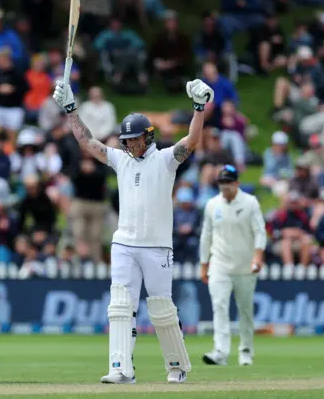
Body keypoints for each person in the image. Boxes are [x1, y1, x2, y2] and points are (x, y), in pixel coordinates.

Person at [52, 78, 214, 384]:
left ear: (148, 137)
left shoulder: (166, 160)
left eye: (134, 139)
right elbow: (87, 142)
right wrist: (71, 109)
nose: (128, 144)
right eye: (126, 140)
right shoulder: (120, 159)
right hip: (124, 244)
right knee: (120, 305)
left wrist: (198, 107)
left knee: (161, 308)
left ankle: (177, 366)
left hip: (157, 247)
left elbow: (192, 141)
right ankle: (120, 368)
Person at [199, 164, 267, 366]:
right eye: (221, 182)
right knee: (219, 307)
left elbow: (260, 232)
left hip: (245, 266)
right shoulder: (212, 205)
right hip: (219, 265)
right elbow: (206, 236)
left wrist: (258, 257)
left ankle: (245, 351)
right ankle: (220, 351)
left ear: (237, 182)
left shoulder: (250, 203)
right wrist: (204, 265)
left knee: (245, 310)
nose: (225, 186)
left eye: (228, 182)